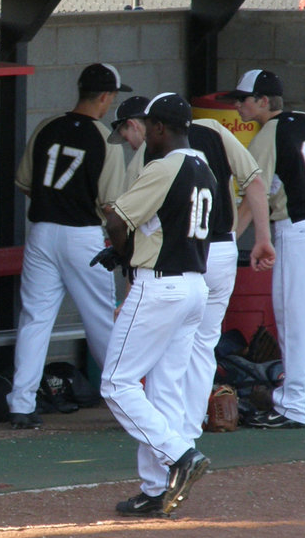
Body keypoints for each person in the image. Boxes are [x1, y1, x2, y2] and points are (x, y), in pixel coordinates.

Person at [109, 94, 275, 431]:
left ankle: (167, 435)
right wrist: (259, 237)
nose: (132, 140)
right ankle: (190, 426)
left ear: (153, 125)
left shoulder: (152, 158)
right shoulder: (214, 130)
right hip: (221, 250)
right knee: (203, 344)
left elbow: (131, 224)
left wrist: (130, 283)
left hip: (175, 261)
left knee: (160, 357)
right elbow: (255, 182)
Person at [98, 93, 216, 517]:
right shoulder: (203, 165)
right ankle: (155, 490)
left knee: (115, 383)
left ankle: (181, 455)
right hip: (193, 286)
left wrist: (123, 253)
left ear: (161, 128)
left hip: (160, 286)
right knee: (164, 389)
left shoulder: (164, 165)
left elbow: (115, 218)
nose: (144, 132)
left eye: (148, 126)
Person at [223, 69, 305, 427]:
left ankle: (293, 405)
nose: (238, 106)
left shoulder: (269, 133)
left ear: (264, 101)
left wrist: (229, 239)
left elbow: (255, 195)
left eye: (244, 99)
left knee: (294, 319)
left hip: (297, 230)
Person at [7, 63, 129, 428]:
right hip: (83, 236)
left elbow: (25, 182)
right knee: (101, 322)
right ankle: (125, 402)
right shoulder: (105, 137)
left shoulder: (48, 126)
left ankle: (21, 405)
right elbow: (111, 205)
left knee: (35, 319)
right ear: (105, 97)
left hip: (42, 232)